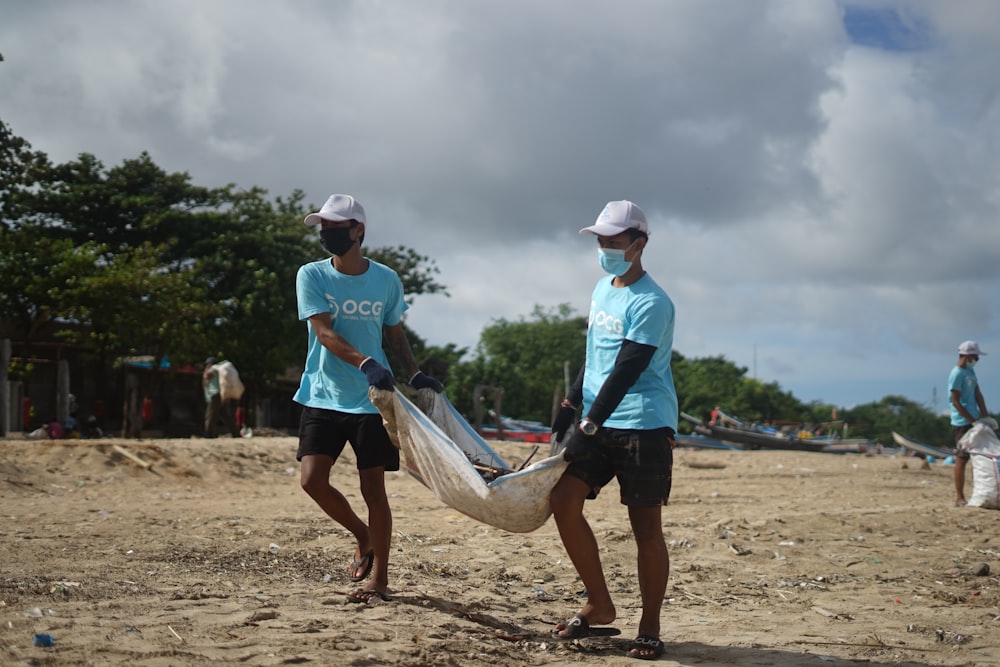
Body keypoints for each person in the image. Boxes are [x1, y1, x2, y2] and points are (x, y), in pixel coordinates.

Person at [294, 194, 442, 604]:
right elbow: (323, 333)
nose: (327, 235)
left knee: (373, 491)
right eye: (323, 228)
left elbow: (394, 333)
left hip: (372, 402)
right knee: (311, 480)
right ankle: (361, 534)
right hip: (324, 394)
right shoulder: (312, 275)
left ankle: (381, 580)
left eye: (335, 228)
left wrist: (414, 374)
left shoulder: (386, 280)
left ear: (358, 230)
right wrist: (365, 363)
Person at [549, 200, 677, 660]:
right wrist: (571, 401)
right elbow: (597, 355)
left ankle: (649, 625)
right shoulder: (603, 289)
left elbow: (627, 368)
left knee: (645, 528)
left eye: (614, 241)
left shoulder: (653, 302)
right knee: (563, 501)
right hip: (598, 419)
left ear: (639, 244)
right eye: (601, 240)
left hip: (643, 423)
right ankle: (600, 604)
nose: (605, 248)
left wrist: (590, 420)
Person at [949, 340, 990, 507]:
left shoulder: (970, 372)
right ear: (967, 356)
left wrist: (985, 417)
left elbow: (978, 394)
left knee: (979, 457)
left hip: (975, 419)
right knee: (962, 457)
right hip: (962, 421)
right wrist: (972, 421)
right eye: (975, 357)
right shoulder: (957, 373)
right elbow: (956, 402)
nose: (976, 361)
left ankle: (978, 493)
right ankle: (959, 497)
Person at [202, 357, 238, 438]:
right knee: (225, 416)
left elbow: (206, 377)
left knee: (210, 415)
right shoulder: (219, 371)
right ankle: (235, 432)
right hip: (221, 395)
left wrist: (206, 369)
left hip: (215, 395)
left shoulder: (212, 370)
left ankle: (208, 434)